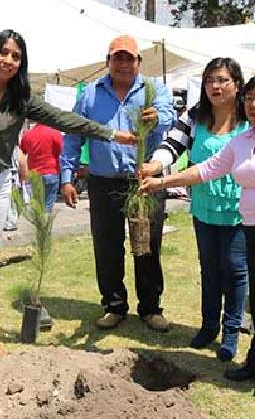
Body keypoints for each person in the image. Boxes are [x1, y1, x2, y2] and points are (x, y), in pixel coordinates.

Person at [0, 30, 138, 377]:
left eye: (15, 56)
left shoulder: (21, 97)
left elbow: (65, 119)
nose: (8, 61)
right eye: (3, 53)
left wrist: (109, 133)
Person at [141, 73, 255, 400]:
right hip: (254, 232)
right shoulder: (242, 140)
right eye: (250, 98)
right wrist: (161, 182)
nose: (254, 104)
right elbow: (206, 169)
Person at [59, 35, 175, 332]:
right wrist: (66, 177)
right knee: (107, 245)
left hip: (145, 180)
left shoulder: (153, 89)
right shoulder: (90, 95)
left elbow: (169, 116)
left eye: (129, 58)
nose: (123, 64)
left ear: (138, 62)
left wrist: (156, 117)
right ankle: (113, 305)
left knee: (147, 244)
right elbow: (72, 136)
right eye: (117, 58)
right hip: (103, 181)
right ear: (107, 61)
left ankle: (150, 307)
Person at [140, 57, 249, 361]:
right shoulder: (194, 116)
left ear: (236, 84)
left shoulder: (248, 120)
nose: (215, 86)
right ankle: (209, 326)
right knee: (210, 269)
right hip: (203, 208)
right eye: (210, 80)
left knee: (236, 271)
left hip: (240, 210)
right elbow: (171, 146)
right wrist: (156, 165)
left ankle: (231, 331)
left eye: (223, 80)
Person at [18, 122, 63, 212]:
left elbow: (22, 152)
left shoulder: (28, 134)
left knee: (37, 206)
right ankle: (44, 225)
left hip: (34, 173)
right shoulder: (55, 133)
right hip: (51, 171)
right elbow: (61, 151)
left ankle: (39, 224)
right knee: (48, 205)